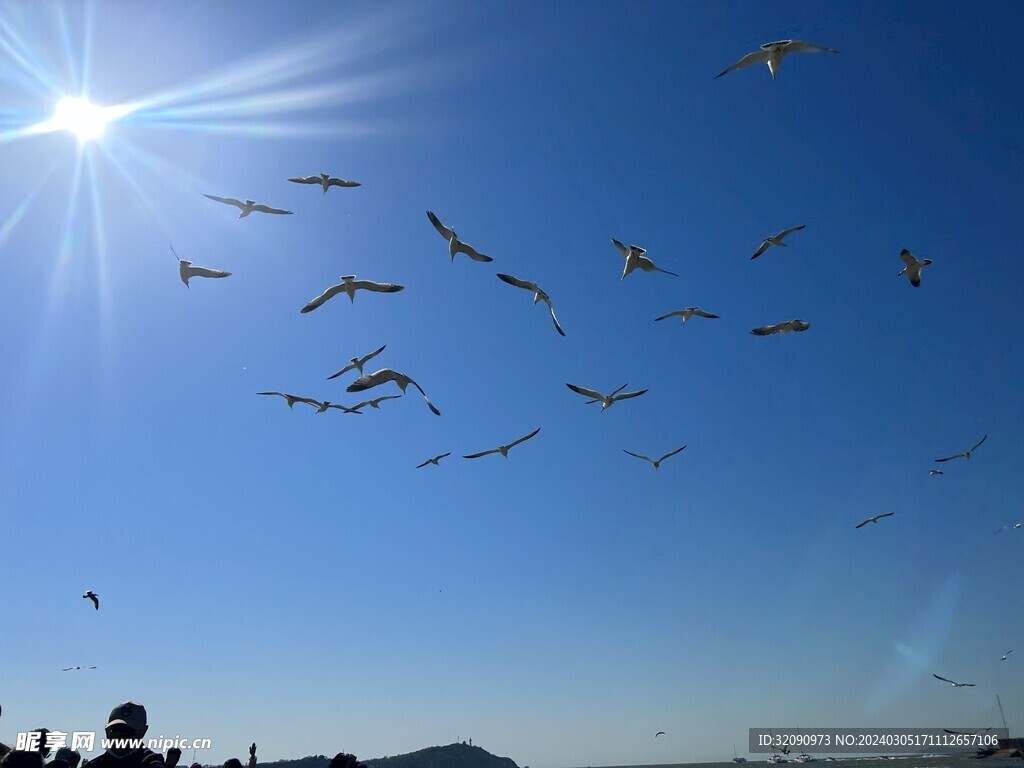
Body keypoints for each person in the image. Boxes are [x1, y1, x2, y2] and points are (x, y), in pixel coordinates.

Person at [83, 702, 164, 768]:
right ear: (107, 732)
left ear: (143, 732)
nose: (121, 735)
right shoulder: (92, 765)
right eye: (116, 729)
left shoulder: (151, 763)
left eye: (128, 730)